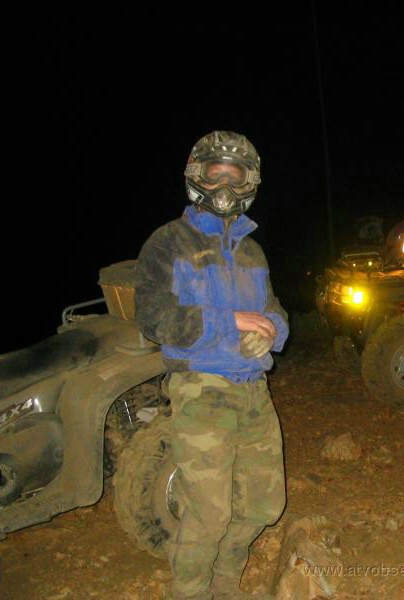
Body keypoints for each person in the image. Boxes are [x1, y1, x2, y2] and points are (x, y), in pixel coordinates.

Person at [135, 130, 288, 600]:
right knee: (208, 513)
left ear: (249, 182)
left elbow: (276, 311)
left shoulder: (252, 250)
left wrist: (271, 332)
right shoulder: (168, 243)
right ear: (196, 177)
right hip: (200, 391)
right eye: (215, 174)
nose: (224, 185)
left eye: (234, 175)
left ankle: (225, 581)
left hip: (252, 391)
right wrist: (227, 323)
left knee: (266, 505)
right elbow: (154, 316)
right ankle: (192, 593)